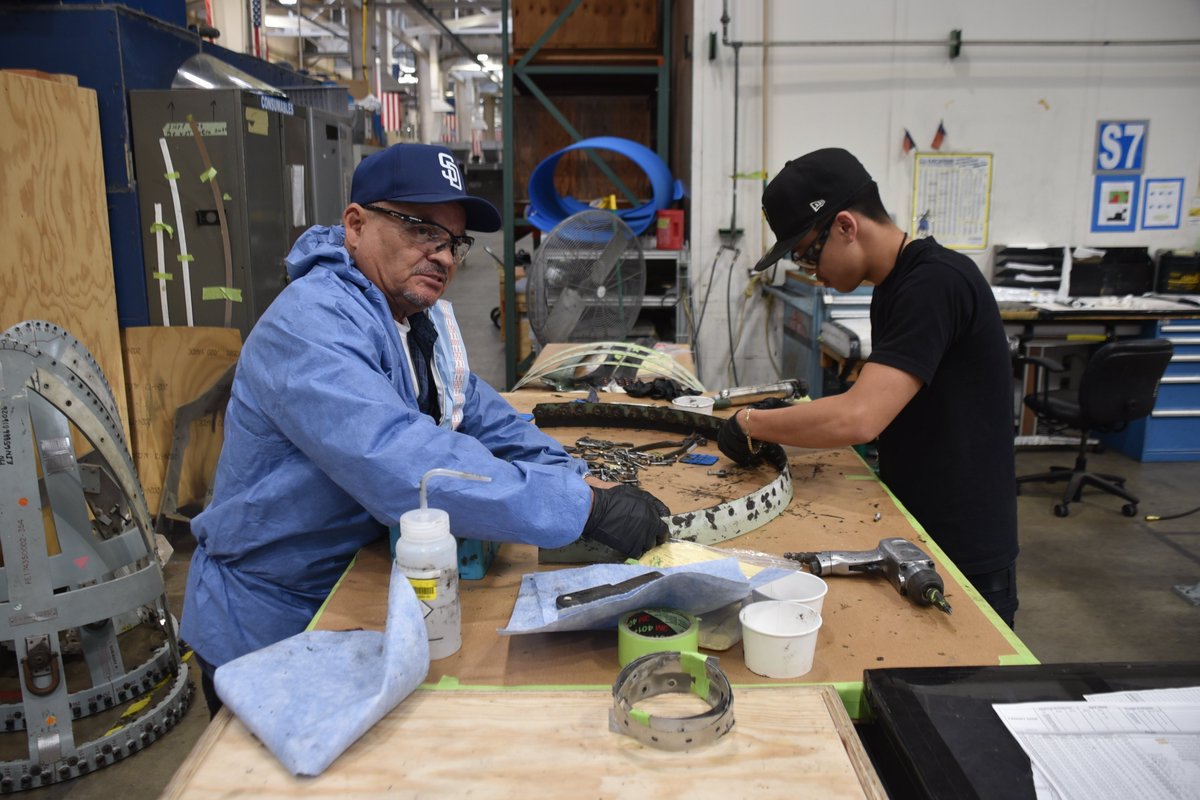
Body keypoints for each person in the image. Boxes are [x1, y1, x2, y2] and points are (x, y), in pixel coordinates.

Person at [181, 143, 670, 715]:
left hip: (354, 591)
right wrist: (582, 508)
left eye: (453, 241)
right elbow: (403, 462)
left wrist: (573, 477)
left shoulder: (408, 318)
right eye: (421, 230)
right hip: (273, 623)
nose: (442, 255)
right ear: (356, 225)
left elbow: (479, 411)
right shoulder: (310, 325)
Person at [717, 148, 1019, 627]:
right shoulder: (894, 286)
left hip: (961, 544)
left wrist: (751, 422)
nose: (813, 274)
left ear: (845, 226)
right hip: (914, 528)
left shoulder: (935, 283)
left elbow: (859, 417)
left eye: (807, 255)